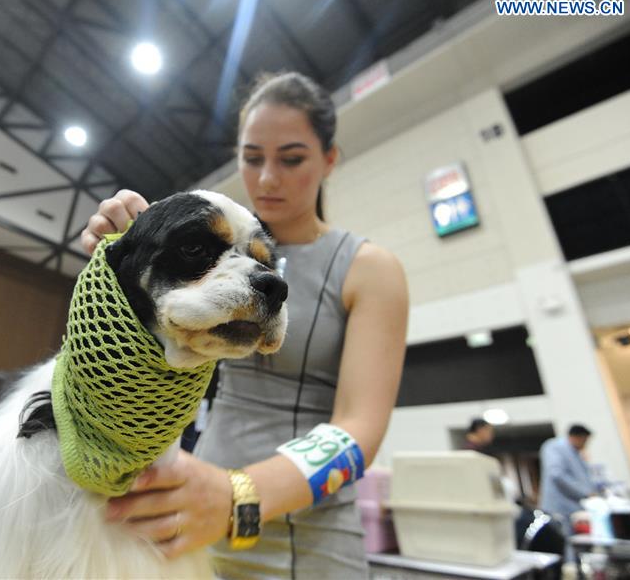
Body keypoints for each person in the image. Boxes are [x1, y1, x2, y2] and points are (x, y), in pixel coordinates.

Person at [81, 72, 409, 577]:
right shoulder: (199, 250)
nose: (267, 178)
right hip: (189, 516)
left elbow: (359, 429)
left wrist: (237, 496)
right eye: (252, 157)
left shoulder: (370, 268)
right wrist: (121, 243)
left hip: (305, 541)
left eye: (291, 158)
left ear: (329, 159)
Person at [539, 425, 596, 525]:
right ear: (577, 437)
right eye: (584, 441)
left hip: (574, 508)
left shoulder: (575, 453)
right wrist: (585, 492)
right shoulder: (554, 447)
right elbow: (557, 474)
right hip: (559, 507)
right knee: (563, 537)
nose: (585, 445)